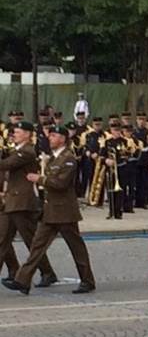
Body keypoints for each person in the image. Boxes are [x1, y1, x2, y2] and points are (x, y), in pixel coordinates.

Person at [2, 125, 95, 295]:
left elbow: (61, 183)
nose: (50, 138)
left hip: (65, 212)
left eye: (54, 136)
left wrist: (40, 179)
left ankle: (87, 280)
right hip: (50, 211)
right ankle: (22, 281)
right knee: (37, 247)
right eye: (50, 135)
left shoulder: (68, 158)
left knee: (76, 247)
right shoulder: (53, 158)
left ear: (63, 139)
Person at [0, 121, 57, 287]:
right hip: (12, 202)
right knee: (2, 240)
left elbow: (6, 165)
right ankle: (38, 272)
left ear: (27, 134)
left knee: (31, 241)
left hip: (23, 202)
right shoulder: (17, 150)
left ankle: (47, 272)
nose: (14, 135)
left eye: (18, 132)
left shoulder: (27, 151)